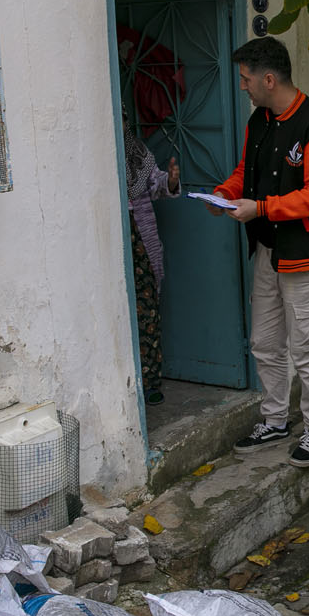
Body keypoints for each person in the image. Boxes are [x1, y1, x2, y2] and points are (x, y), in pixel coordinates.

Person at [211, 37, 309, 467]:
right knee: (265, 342)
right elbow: (246, 172)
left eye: (247, 80)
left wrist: (262, 209)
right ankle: (275, 419)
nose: (243, 87)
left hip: (306, 257)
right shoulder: (260, 120)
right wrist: (225, 195)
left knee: (306, 348)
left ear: (269, 79)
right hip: (269, 251)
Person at [124, 123, 180, 406]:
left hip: (141, 241)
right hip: (114, 239)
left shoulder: (136, 150)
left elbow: (156, 183)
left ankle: (149, 383)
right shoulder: (97, 152)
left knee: (145, 311)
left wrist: (170, 181)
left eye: (123, 121)